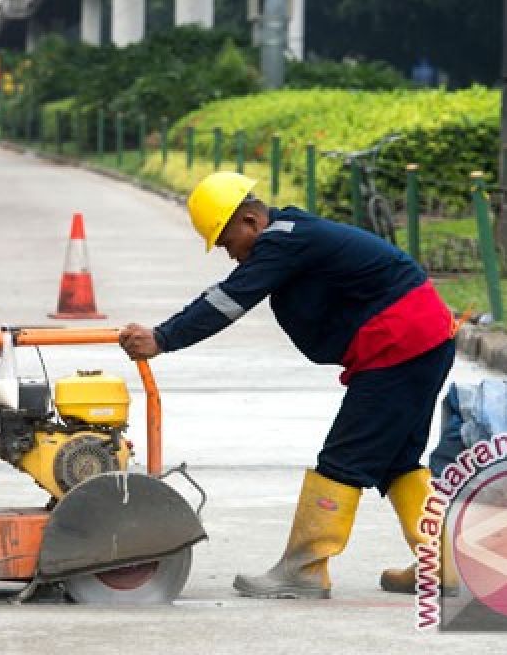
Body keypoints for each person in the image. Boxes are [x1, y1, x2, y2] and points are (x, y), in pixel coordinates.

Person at [119, 172, 457, 598]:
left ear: (249, 221)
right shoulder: (293, 236)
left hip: (401, 345)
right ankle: (442, 564)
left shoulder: (282, 242)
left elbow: (228, 300)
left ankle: (305, 569)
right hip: (421, 340)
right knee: (397, 460)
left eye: (227, 243)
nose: (231, 255)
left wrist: (163, 337)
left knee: (343, 459)